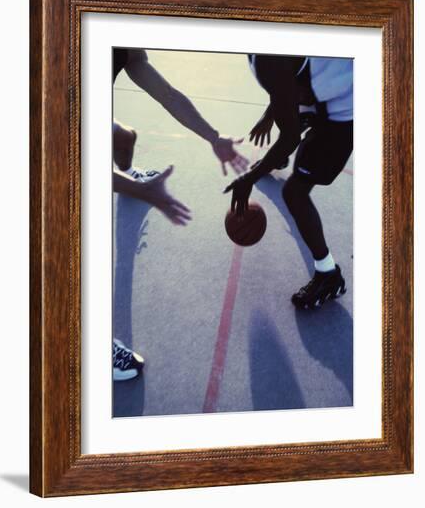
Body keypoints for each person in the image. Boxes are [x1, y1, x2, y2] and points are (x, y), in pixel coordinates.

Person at [113, 48, 249, 379]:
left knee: (124, 138)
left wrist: (213, 137)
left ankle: (129, 176)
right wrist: (141, 192)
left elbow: (169, 96)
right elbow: (72, 157)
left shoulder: (125, 44)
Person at [225, 54, 353, 309]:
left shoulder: (265, 58)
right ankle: (281, 154)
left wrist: (250, 178)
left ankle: (329, 275)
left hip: (345, 111)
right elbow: (290, 78)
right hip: (325, 93)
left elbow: (290, 135)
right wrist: (271, 113)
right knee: (297, 120)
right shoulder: (266, 45)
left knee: (294, 193)